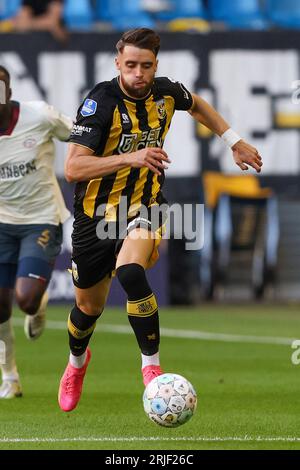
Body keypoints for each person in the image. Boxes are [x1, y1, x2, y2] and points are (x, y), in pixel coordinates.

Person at [58, 28, 262, 412]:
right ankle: (76, 365)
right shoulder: (99, 103)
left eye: (146, 66)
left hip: (146, 206)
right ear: (118, 63)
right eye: (130, 65)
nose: (138, 73)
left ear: (156, 65)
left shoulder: (166, 92)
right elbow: (73, 168)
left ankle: (151, 369)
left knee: (132, 273)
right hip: (96, 216)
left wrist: (232, 140)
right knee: (87, 309)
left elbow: (197, 104)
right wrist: (130, 158)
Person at [0, 65, 73, 398]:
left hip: (41, 218)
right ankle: (10, 376)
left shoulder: (40, 116)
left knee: (25, 300)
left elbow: (83, 136)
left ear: (9, 93)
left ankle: (38, 302)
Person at [0, 0, 67, 42]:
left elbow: (53, 22)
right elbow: (23, 21)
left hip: (56, 43)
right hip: (33, 44)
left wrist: (29, 24)